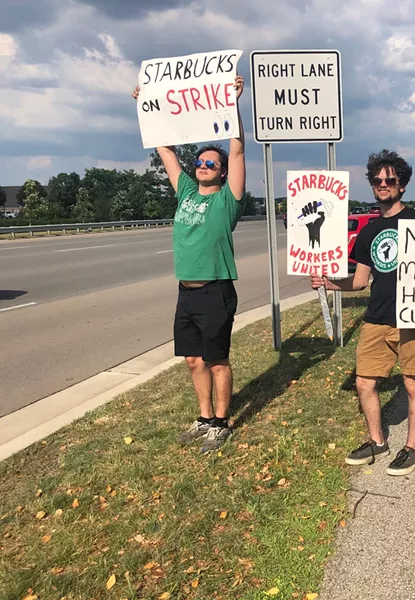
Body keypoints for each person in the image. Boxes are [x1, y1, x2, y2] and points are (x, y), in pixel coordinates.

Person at [310, 150, 415, 476]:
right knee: (363, 384)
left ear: (402, 184)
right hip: (376, 319)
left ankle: (412, 448)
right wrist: (329, 282)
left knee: (412, 384)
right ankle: (377, 441)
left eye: (390, 180)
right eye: (377, 180)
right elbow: (359, 282)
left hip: (412, 316)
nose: (383, 184)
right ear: (372, 184)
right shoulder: (369, 231)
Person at [131, 75, 246, 454]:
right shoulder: (185, 191)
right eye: (199, 161)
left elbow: (239, 151)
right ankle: (203, 417)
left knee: (216, 360)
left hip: (216, 290)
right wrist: (145, 107)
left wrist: (235, 106)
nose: (203, 165)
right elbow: (165, 152)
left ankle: (221, 423)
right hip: (186, 292)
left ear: (222, 171)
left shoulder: (227, 199)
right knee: (193, 360)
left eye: (211, 162)